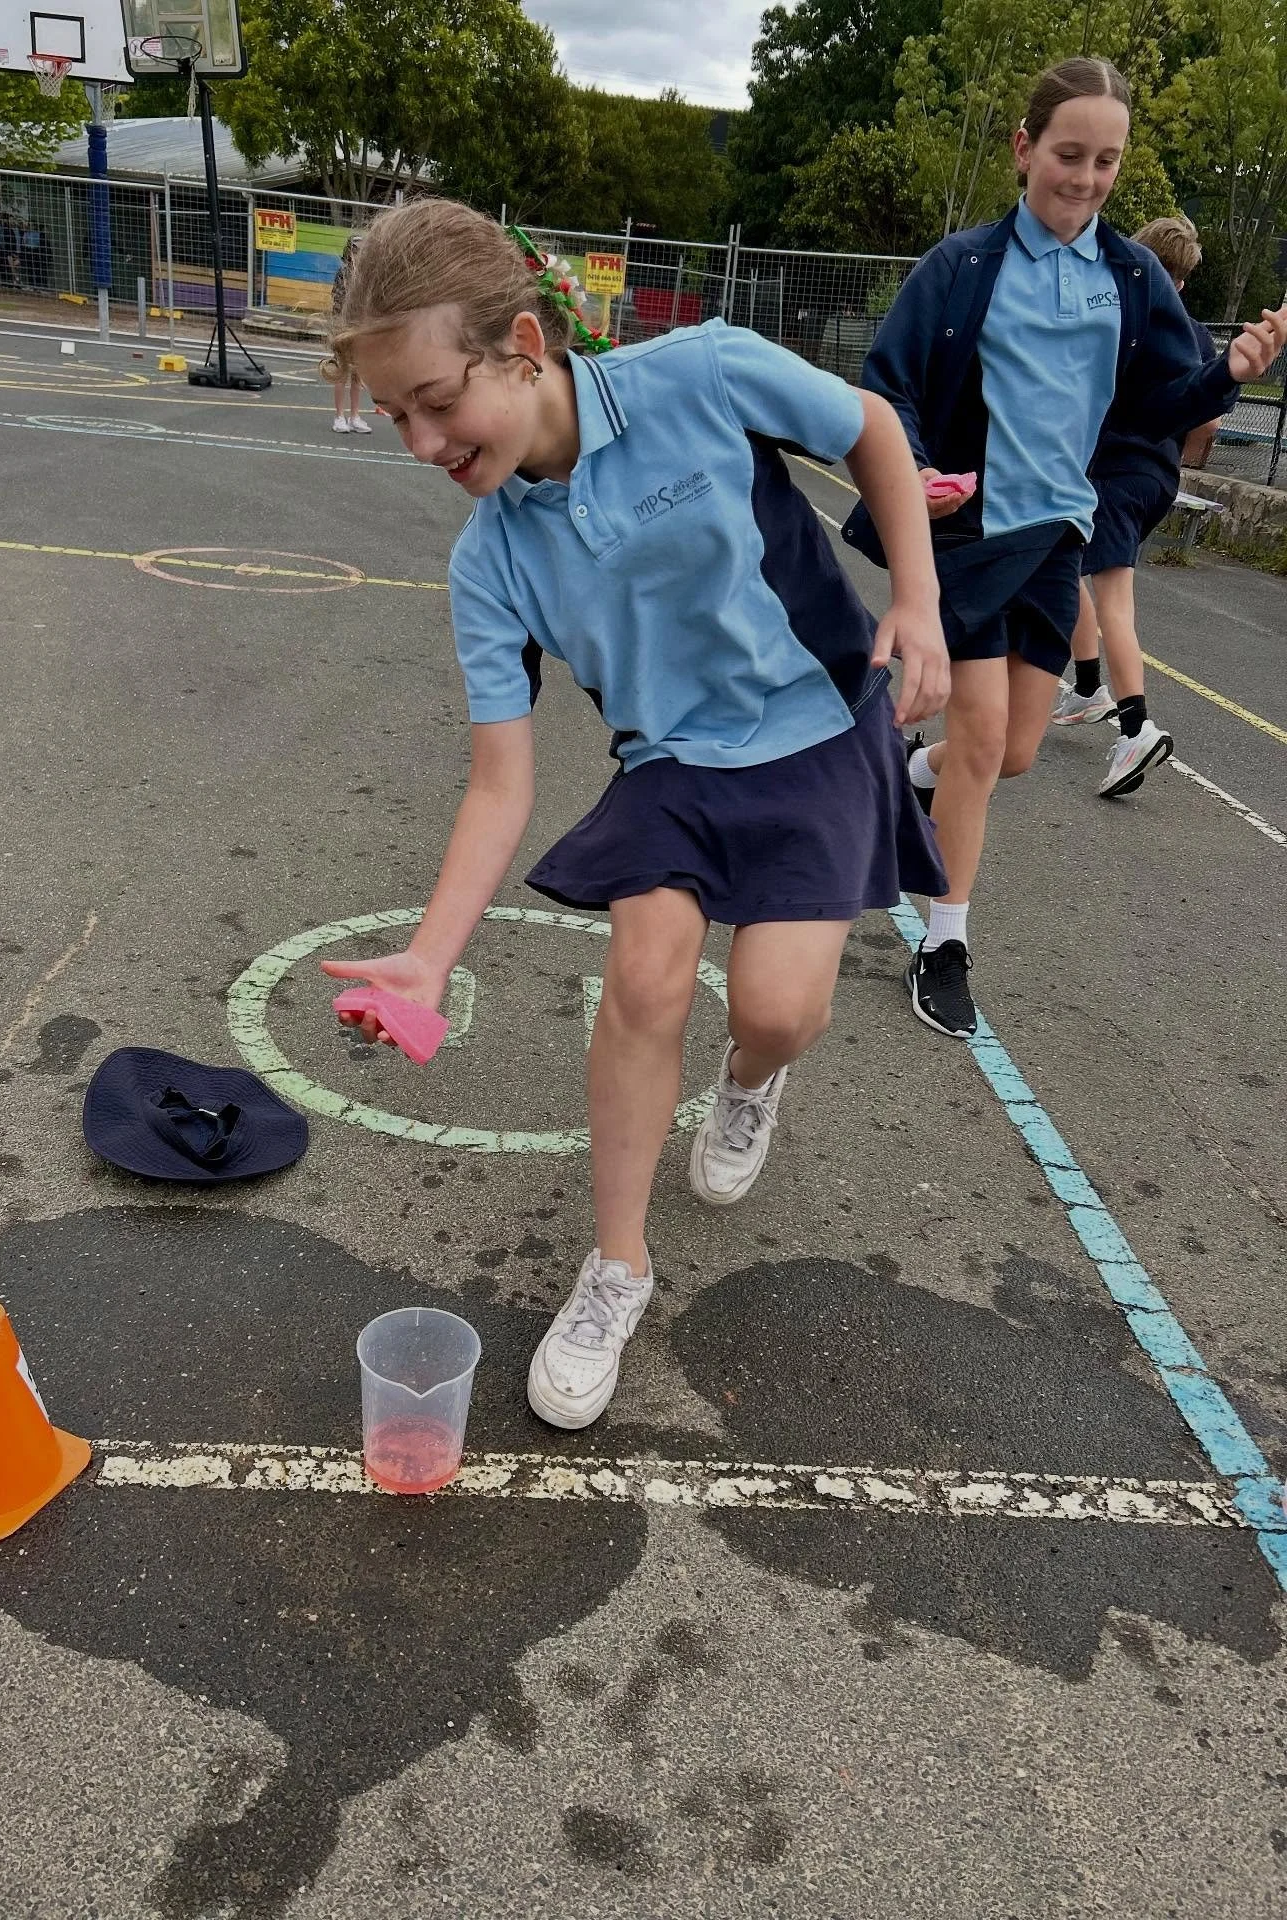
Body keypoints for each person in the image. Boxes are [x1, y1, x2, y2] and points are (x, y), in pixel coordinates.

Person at [316, 198, 950, 1431]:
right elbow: (501, 781)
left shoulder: (700, 374)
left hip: (818, 731)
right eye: (395, 414)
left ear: (524, 343)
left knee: (777, 1009)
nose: (419, 440)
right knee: (646, 975)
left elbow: (872, 428)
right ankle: (617, 1268)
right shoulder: (488, 561)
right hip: (670, 763)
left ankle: (753, 1080)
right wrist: (432, 958)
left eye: (439, 401)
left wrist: (914, 600)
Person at [843, 55, 1287, 1040]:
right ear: (1025, 148)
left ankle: (902, 768)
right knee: (989, 735)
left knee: (1014, 752)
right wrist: (913, 465)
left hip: (1057, 537)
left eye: (1106, 162)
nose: (1084, 179)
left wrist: (1229, 375)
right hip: (963, 533)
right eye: (1068, 154)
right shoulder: (960, 267)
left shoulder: (1130, 277)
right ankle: (945, 944)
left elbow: (1158, 405)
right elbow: (889, 383)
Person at [1053, 214, 1229, 796]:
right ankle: (1086, 686)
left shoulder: (1121, 315)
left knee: (1114, 603)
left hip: (1116, 473)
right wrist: (1180, 448)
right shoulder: (1193, 333)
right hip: (1155, 476)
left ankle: (1135, 727)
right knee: (1066, 560)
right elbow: (1209, 416)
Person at [327, 231, 372, 433]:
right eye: (355, 250)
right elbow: (337, 301)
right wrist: (342, 326)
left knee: (357, 374)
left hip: (360, 328)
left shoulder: (366, 277)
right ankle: (339, 416)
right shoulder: (343, 273)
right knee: (341, 372)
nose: (358, 254)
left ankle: (355, 416)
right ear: (349, 252)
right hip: (344, 328)